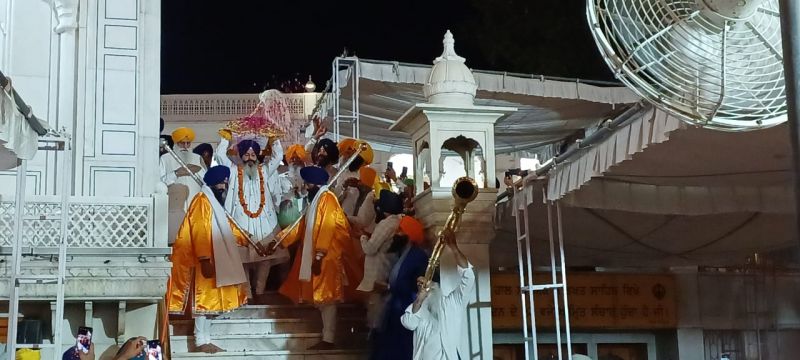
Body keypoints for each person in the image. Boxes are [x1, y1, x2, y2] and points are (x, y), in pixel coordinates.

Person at [268, 166, 363, 350]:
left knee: (327, 298)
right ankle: (327, 337)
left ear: (315, 184)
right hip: (320, 256)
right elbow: (302, 227)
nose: (305, 186)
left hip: (327, 256)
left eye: (308, 183)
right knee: (323, 299)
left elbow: (327, 228)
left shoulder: (327, 199)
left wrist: (319, 255)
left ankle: (329, 339)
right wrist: (279, 240)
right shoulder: (316, 201)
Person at [167, 166, 259, 353]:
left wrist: (249, 239)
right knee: (204, 299)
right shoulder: (202, 201)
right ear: (211, 182)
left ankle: (205, 338)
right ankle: (201, 340)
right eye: (221, 182)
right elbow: (200, 230)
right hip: (201, 260)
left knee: (210, 300)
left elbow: (228, 227)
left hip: (213, 258)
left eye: (225, 182)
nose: (223, 185)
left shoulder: (213, 202)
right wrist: (204, 259)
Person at [214, 131, 289, 302]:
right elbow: (219, 155)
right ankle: (247, 293)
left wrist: (274, 139)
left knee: (266, 258)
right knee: (243, 259)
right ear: (241, 156)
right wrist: (226, 138)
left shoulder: (264, 171)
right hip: (241, 221)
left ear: (257, 156)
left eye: (253, 154)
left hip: (265, 222)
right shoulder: (234, 172)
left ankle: (260, 290)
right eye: (246, 154)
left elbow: (277, 158)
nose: (250, 157)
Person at [401, 228, 475, 360]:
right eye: (419, 284)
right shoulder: (418, 310)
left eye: (425, 282)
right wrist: (419, 300)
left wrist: (454, 248)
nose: (423, 286)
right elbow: (409, 323)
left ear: (434, 284)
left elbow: (468, 276)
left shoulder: (452, 303)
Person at [370, 216, 428, 360]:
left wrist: (389, 287)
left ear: (409, 235)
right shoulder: (401, 253)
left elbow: (418, 288)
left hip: (405, 310)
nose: (396, 233)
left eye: (400, 230)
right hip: (394, 310)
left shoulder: (418, 256)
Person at [355, 190, 404, 332]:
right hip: (389, 267)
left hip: (379, 270)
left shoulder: (387, 223)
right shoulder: (398, 221)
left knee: (376, 312)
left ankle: (375, 340)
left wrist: (362, 238)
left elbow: (370, 249)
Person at [160, 127, 207, 210]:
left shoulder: (197, 158)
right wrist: (176, 173)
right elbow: (160, 183)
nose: (185, 146)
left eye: (188, 143)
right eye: (182, 143)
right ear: (176, 143)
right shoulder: (165, 158)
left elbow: (206, 182)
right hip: (174, 205)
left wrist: (197, 171)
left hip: (195, 205)